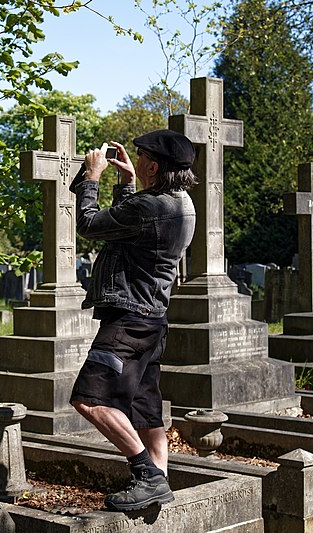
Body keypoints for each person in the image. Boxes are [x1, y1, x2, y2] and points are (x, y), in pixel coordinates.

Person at [68, 130, 197, 511]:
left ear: (154, 166)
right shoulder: (178, 203)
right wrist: (126, 183)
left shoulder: (152, 207)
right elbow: (129, 231)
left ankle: (148, 476)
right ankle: (160, 496)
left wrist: (91, 178)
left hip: (129, 322)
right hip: (152, 321)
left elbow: (91, 225)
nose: (136, 161)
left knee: (90, 400)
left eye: (141, 158)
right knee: (145, 413)